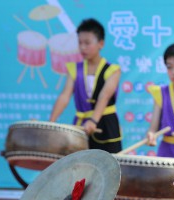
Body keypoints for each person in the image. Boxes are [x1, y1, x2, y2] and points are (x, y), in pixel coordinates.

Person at [49, 18, 123, 153]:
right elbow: (65, 96)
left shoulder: (113, 70)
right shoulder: (74, 69)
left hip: (106, 126)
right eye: (80, 43)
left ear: (101, 43)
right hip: (81, 127)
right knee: (81, 169)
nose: (82, 47)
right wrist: (51, 122)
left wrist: (93, 121)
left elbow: (104, 96)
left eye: (87, 43)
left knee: (111, 167)